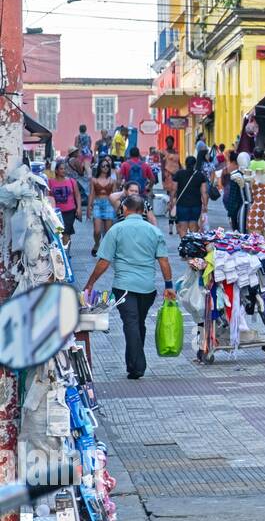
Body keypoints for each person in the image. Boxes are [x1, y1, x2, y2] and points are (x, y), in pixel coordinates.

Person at [82, 194, 176, 380]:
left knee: (131, 323)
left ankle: (137, 366)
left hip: (123, 286)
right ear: (143, 211)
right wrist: (169, 285)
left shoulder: (117, 230)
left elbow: (104, 262)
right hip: (148, 287)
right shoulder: (154, 231)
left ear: (125, 209)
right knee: (138, 322)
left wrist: (90, 283)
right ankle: (133, 364)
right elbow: (164, 261)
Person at [171, 155, 207, 237]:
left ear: (185, 164)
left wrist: (171, 202)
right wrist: (205, 205)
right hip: (196, 205)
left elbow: (173, 189)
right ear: (195, 164)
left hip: (182, 204)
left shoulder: (179, 174)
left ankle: (184, 246)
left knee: (182, 227)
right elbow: (204, 192)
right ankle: (192, 246)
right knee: (193, 226)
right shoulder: (200, 175)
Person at [47, 160, 81, 246]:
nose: (64, 170)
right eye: (61, 169)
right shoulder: (50, 182)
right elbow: (48, 197)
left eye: (65, 168)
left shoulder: (71, 181)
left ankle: (66, 253)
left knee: (66, 232)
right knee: (58, 232)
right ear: (56, 171)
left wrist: (79, 208)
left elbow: (77, 195)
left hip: (70, 211)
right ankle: (61, 253)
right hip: (56, 212)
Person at [89, 157, 117, 255]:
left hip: (109, 204)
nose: (105, 167)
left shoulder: (112, 180)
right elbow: (91, 194)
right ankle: (97, 244)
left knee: (108, 231)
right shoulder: (94, 180)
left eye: (107, 166)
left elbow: (114, 195)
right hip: (97, 204)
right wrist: (89, 208)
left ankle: (106, 248)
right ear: (99, 167)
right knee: (97, 230)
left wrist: (117, 208)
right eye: (103, 166)